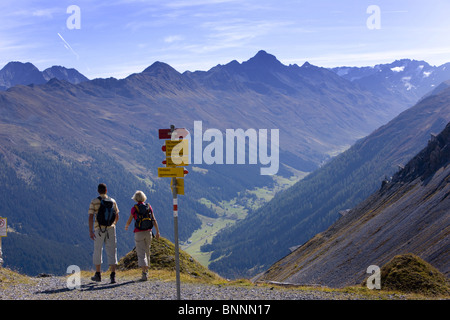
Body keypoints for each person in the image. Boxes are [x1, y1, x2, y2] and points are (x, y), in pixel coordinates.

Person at [125, 190, 160, 281]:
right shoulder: (148, 207)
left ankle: (144, 273)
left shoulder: (134, 208)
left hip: (138, 232)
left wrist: (127, 226)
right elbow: (153, 219)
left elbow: (130, 218)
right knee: (147, 251)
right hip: (148, 232)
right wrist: (157, 232)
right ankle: (147, 270)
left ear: (135, 199)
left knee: (141, 253)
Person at [88, 183, 120, 284]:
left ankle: (98, 274)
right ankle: (112, 276)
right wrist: (113, 224)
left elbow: (90, 217)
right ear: (106, 190)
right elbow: (117, 215)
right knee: (112, 250)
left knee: (98, 250)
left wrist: (91, 231)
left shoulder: (94, 201)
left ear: (98, 191)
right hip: (111, 228)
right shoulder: (113, 201)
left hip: (99, 229)